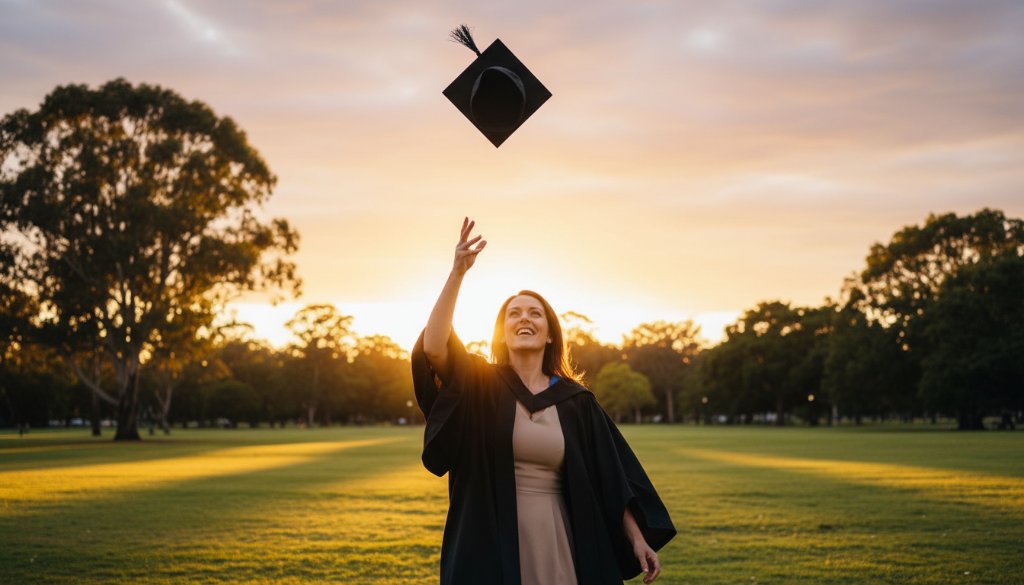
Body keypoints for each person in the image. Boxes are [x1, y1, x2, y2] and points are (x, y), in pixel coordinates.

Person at [412, 218, 676, 585]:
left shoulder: (576, 402)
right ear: (502, 333)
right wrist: (457, 273)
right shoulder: (480, 385)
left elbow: (610, 479)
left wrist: (637, 537)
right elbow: (434, 347)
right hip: (488, 535)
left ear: (550, 334)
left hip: (560, 537)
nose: (524, 318)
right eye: (514, 314)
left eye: (535, 313)